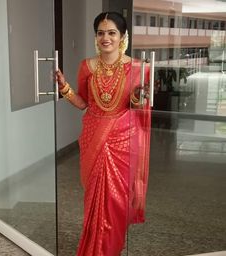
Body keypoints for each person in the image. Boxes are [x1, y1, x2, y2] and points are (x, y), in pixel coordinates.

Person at [55, 11, 151, 256]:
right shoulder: (87, 66)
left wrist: (139, 99)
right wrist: (64, 88)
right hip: (93, 137)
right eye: (100, 33)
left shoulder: (139, 68)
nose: (105, 38)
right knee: (94, 201)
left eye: (111, 33)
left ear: (122, 36)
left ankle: (110, 250)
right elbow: (83, 103)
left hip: (124, 141)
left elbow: (140, 109)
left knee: (117, 203)